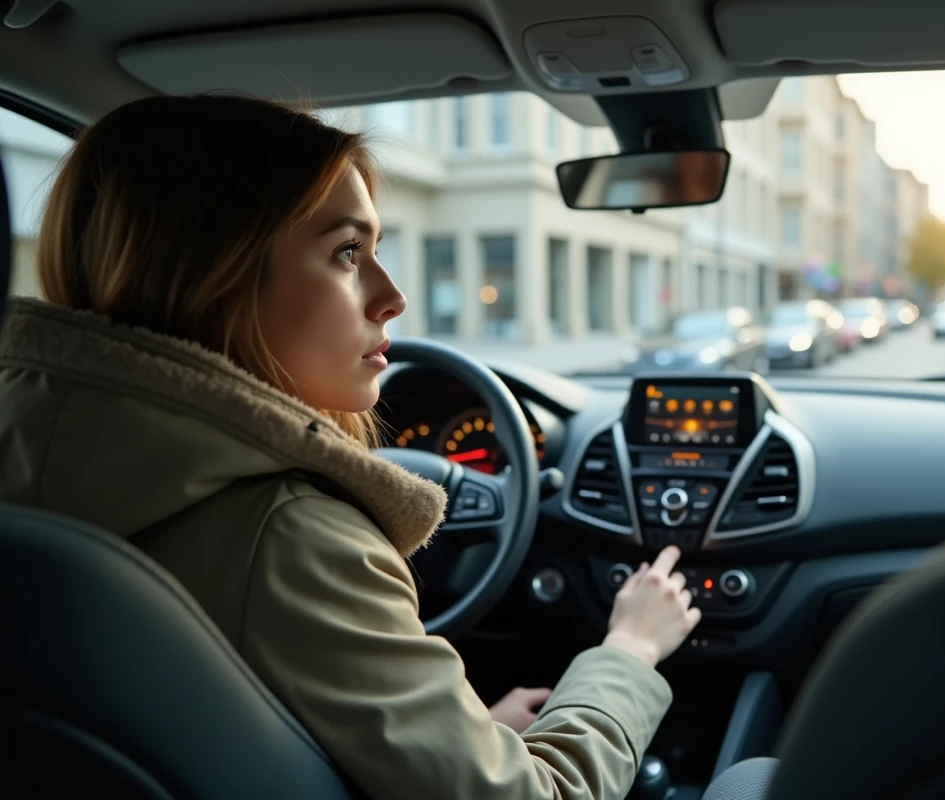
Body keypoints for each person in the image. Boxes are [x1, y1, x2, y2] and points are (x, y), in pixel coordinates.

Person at [0, 95, 701, 799]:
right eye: (347, 252)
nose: (392, 295)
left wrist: (471, 738)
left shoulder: (32, 470)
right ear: (215, 273)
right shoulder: (294, 540)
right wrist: (630, 649)